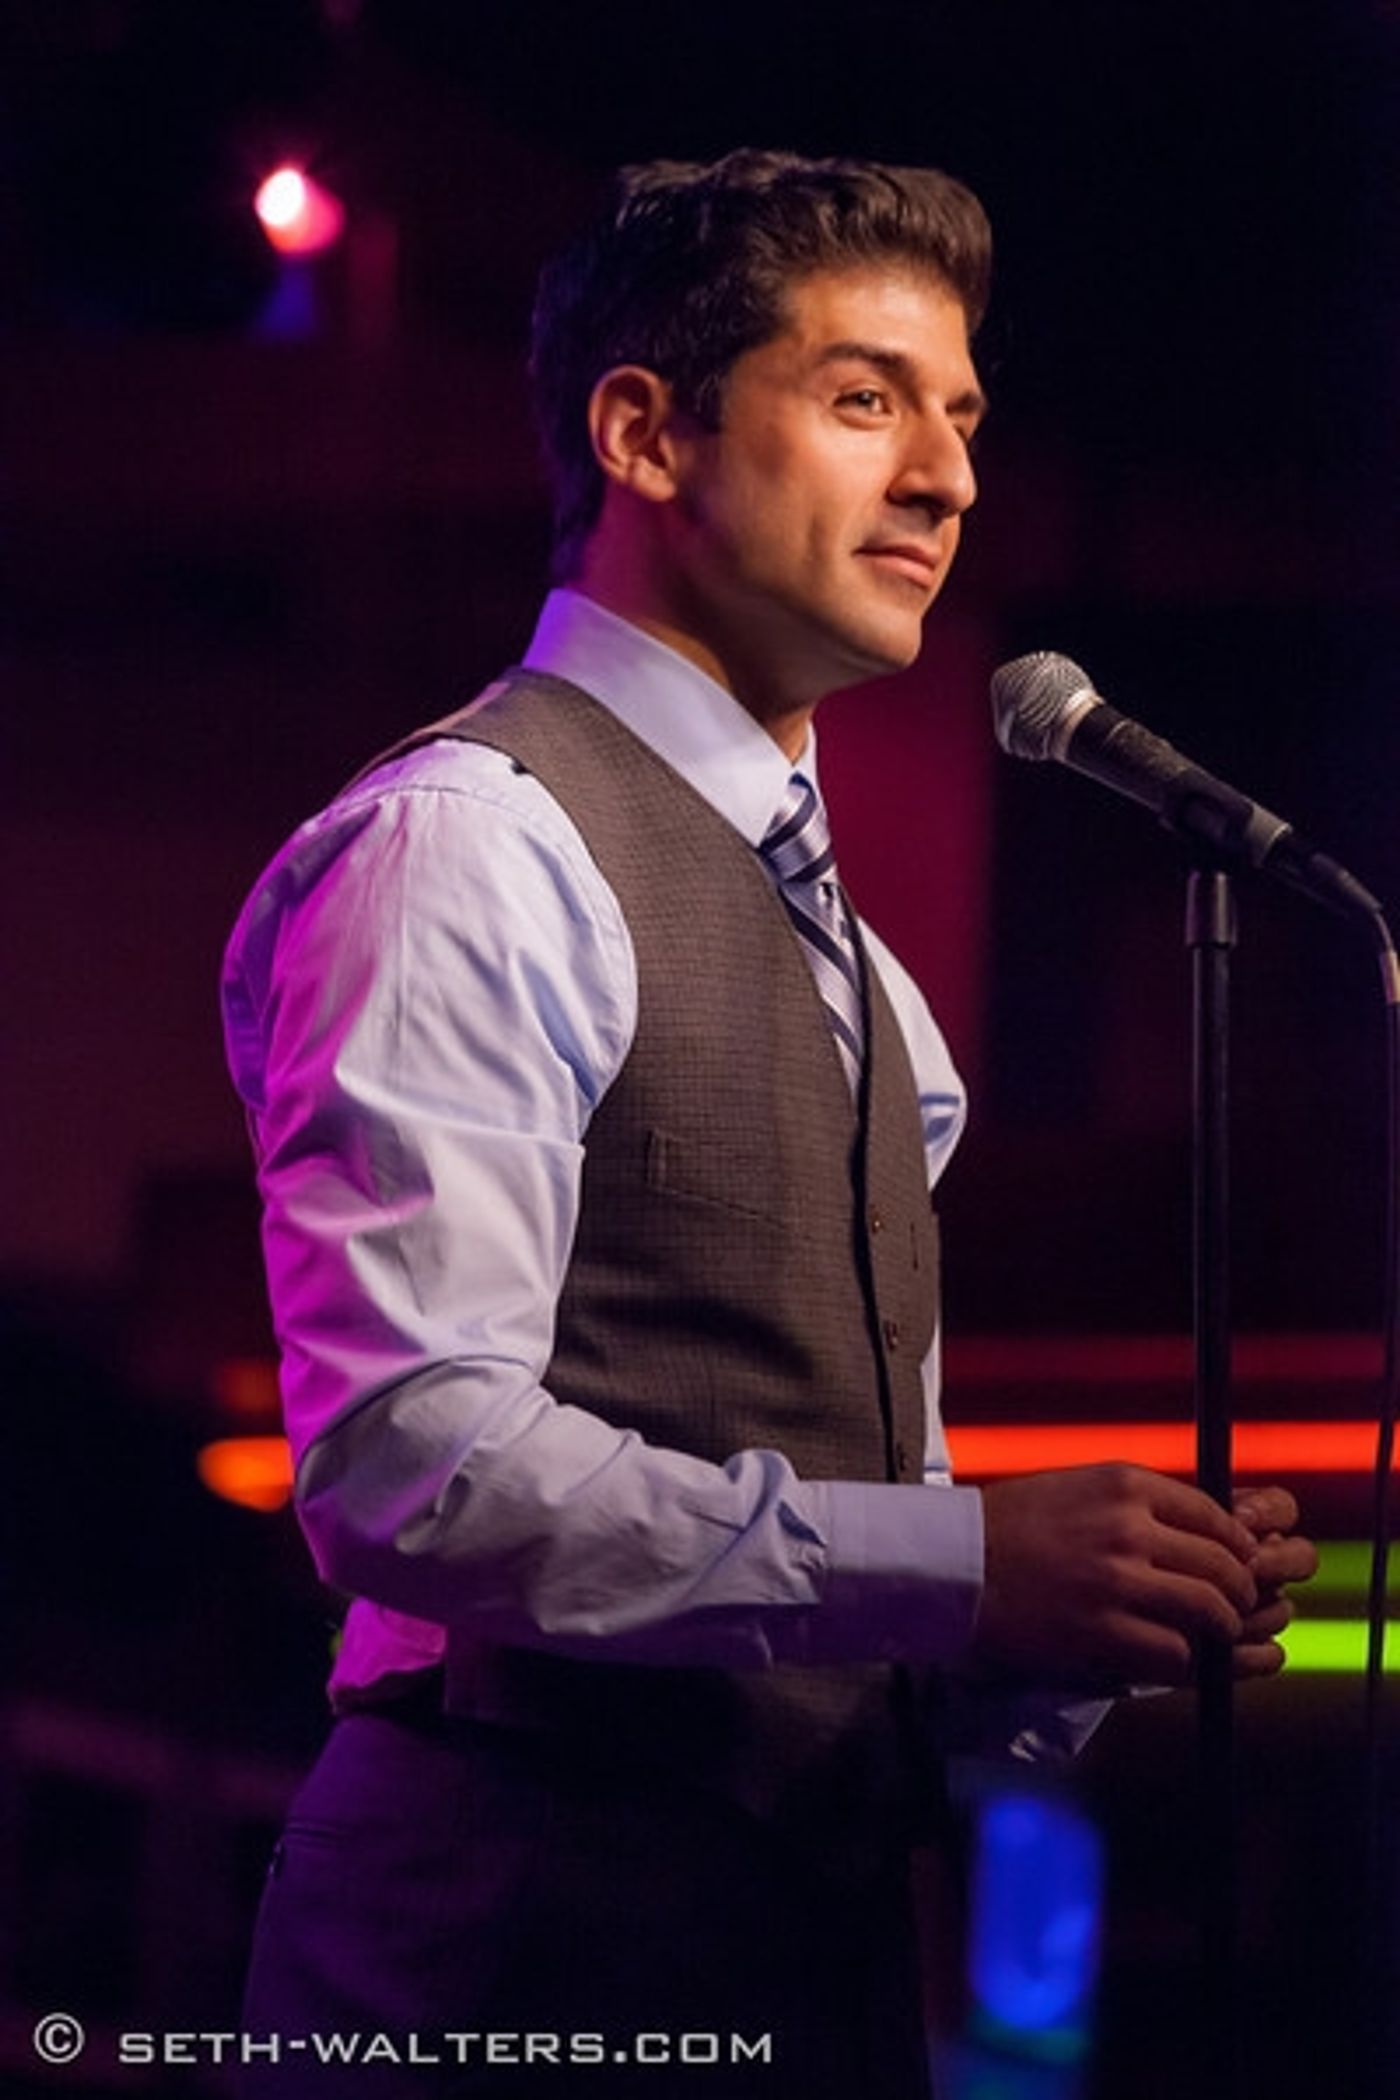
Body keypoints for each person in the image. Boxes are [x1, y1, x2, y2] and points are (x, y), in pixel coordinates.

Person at [221, 150, 1314, 2097]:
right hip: (503, 1934)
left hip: (800, 1947)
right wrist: (963, 1562)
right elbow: (400, 1467)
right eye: (865, 397)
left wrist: (1067, 1624)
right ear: (644, 431)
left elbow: (858, 1593)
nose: (949, 479)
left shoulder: (876, 996)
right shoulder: (469, 849)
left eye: (961, 417)